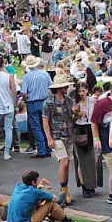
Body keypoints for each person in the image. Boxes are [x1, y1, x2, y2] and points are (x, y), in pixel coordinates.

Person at [42, 73, 76, 206]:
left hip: (69, 134)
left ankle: (66, 190)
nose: (66, 88)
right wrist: (49, 138)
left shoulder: (69, 100)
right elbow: (45, 121)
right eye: (64, 86)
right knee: (64, 163)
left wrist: (77, 114)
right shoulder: (48, 102)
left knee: (67, 165)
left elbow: (72, 118)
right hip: (56, 136)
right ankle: (63, 191)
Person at [7, 170, 78, 222]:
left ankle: (55, 214)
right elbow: (54, 198)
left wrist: (40, 186)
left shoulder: (18, 188)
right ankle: (67, 221)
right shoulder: (35, 192)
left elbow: (33, 197)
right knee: (51, 203)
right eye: (38, 180)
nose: (39, 181)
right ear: (33, 182)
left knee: (40, 204)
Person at [20, 55, 53, 158]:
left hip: (32, 102)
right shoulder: (45, 74)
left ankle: (42, 150)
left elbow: (24, 93)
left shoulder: (26, 77)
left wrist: (26, 100)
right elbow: (51, 87)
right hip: (44, 101)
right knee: (45, 126)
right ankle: (48, 148)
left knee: (36, 127)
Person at [71, 81, 97, 198]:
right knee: (81, 160)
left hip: (90, 128)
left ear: (87, 90)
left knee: (91, 159)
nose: (81, 93)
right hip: (79, 129)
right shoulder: (74, 102)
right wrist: (77, 114)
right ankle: (84, 186)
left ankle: (91, 184)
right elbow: (71, 119)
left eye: (83, 90)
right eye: (79, 91)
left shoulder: (92, 100)